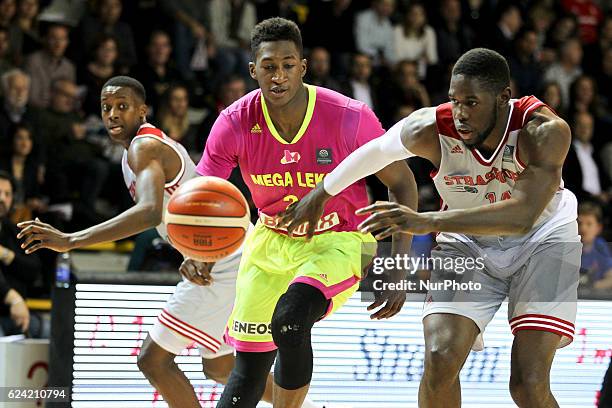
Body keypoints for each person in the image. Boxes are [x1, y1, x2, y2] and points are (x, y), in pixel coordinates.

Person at [283, 48, 581, 408]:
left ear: (504, 98)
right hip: (467, 243)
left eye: (472, 102)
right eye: (455, 100)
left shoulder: (544, 130)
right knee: (439, 359)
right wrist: (321, 193)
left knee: (528, 385)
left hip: (544, 239)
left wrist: (427, 221)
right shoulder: (428, 128)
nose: (460, 114)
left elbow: (523, 215)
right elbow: (374, 152)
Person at [16, 76, 321, 408]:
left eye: (123, 106)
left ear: (142, 111)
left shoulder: (143, 147)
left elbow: (148, 213)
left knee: (153, 359)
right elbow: (190, 208)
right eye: (106, 108)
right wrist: (195, 252)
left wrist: (71, 239)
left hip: (226, 260)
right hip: (227, 253)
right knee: (220, 366)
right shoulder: (133, 153)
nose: (113, 114)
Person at [191, 17, 414, 408]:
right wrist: (198, 251)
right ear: (253, 69)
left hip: (347, 238)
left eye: (288, 65)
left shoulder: (349, 116)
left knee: (290, 319)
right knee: (247, 369)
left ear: (303, 66)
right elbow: (202, 198)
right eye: (269, 66)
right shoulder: (234, 123)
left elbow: (403, 183)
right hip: (270, 241)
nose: (279, 76)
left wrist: (399, 264)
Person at [577, 201, 612, 289]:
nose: (583, 228)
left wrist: (591, 287)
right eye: (579, 223)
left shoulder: (600, 246)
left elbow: (610, 277)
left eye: (589, 224)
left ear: (598, 228)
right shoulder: (567, 247)